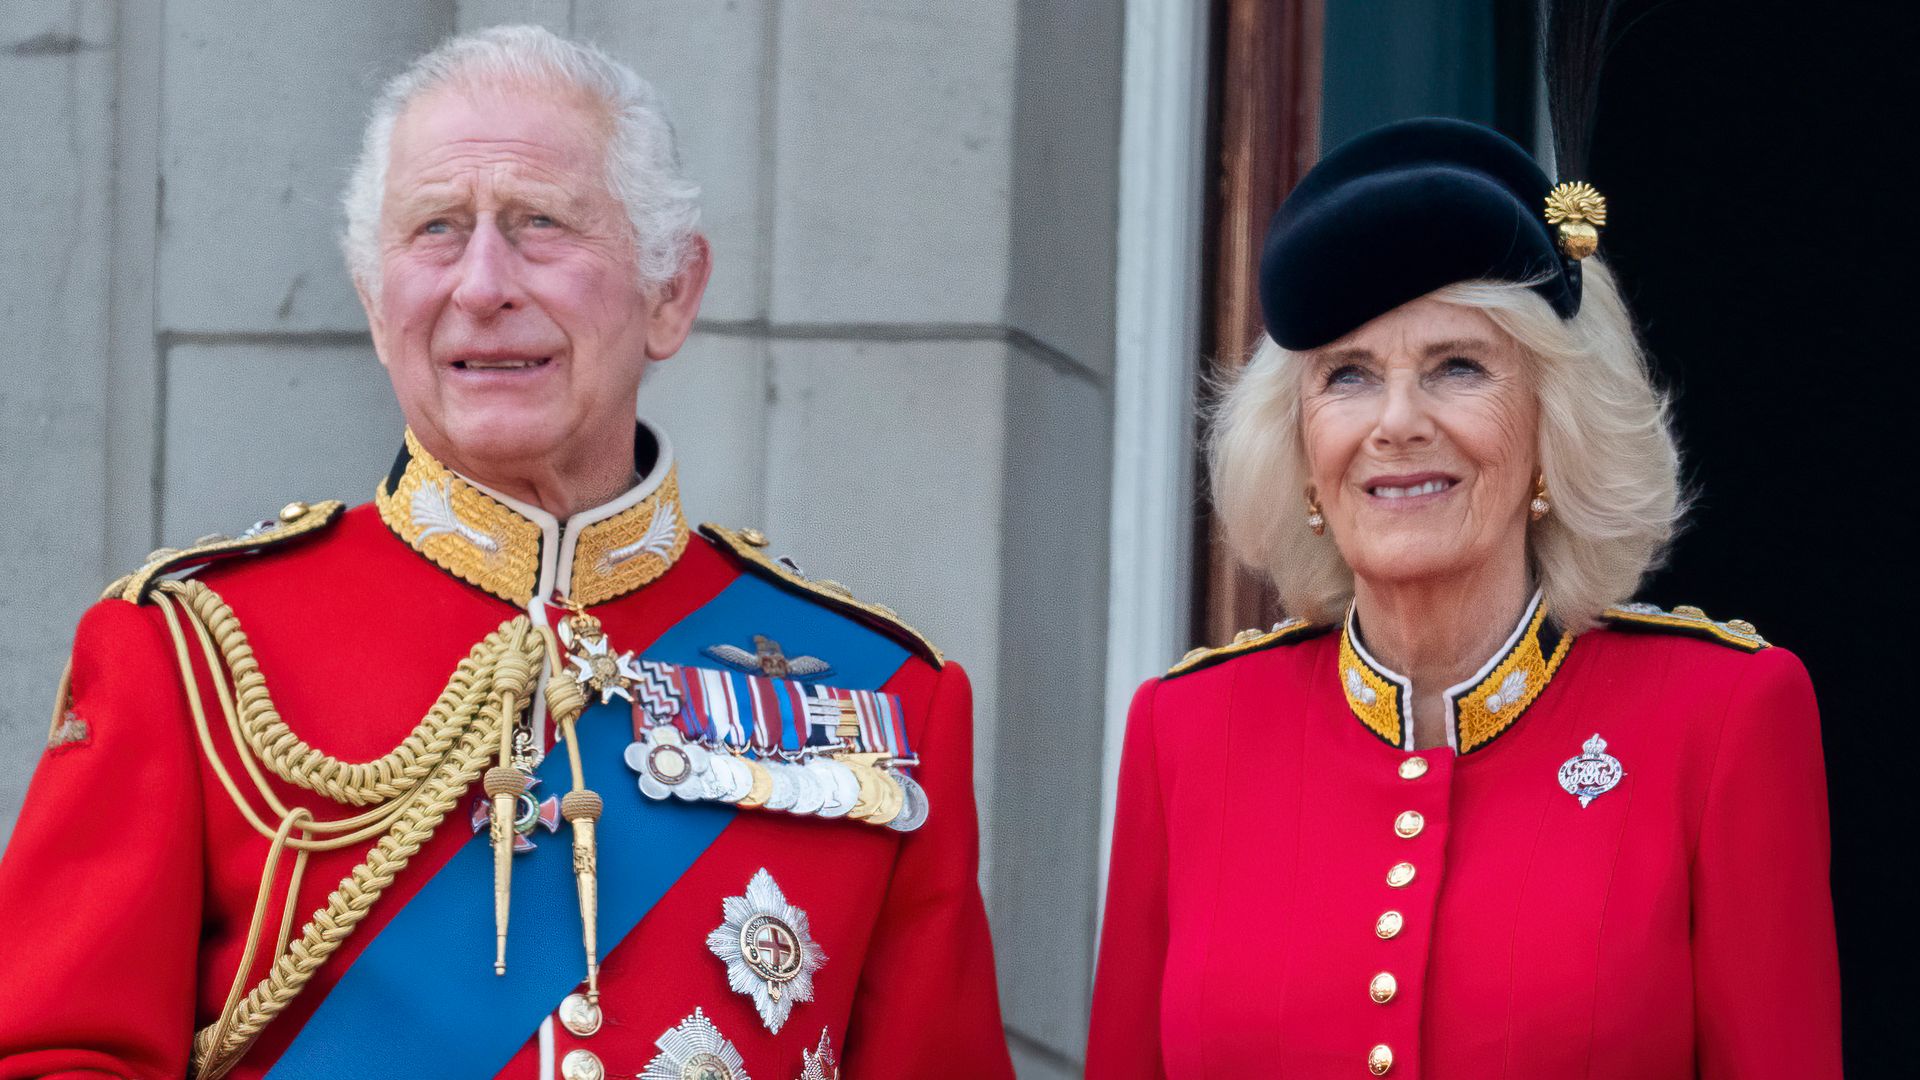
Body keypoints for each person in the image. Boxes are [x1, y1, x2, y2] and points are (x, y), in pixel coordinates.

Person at [0, 26, 1011, 1080]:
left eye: (541, 225)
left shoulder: (883, 697)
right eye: (436, 229)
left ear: (671, 291)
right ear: (372, 299)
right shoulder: (194, 653)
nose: (482, 283)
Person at [1085, 118, 1840, 1078]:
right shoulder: (1187, 732)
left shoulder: (1723, 717)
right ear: (1302, 452)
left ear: (1550, 427)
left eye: (1459, 367)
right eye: (1348, 376)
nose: (1397, 424)